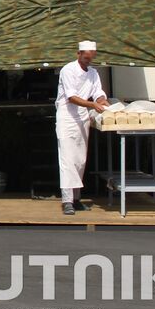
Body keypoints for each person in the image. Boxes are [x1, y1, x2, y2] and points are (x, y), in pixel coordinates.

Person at [55, 40, 109, 215]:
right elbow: (71, 97)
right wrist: (93, 105)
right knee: (67, 159)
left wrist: (102, 101)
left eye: (90, 58)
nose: (88, 61)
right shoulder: (68, 70)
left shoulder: (93, 73)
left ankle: (76, 198)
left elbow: (98, 92)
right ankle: (67, 200)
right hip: (67, 117)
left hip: (83, 118)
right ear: (78, 54)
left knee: (79, 159)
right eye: (85, 57)